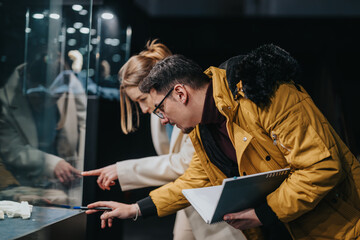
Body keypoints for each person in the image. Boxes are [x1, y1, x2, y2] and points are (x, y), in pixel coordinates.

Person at [86, 44, 360, 240]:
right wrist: (136, 209)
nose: (162, 119)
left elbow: (321, 168)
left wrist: (263, 213)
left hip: (342, 224)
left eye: (159, 109)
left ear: (180, 93)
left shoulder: (268, 94)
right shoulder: (201, 128)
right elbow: (196, 179)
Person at [82, 40, 246, 240]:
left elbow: (188, 167)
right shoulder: (164, 114)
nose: (145, 110)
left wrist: (124, 174)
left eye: (143, 100)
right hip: (186, 199)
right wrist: (135, 208)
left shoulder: (199, 113)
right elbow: (193, 175)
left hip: (216, 202)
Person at [0, 50, 86, 204]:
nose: (49, 104)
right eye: (42, 98)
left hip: (65, 183)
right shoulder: (5, 101)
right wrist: (51, 164)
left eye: (55, 98)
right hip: (22, 182)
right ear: (29, 83)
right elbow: (12, 149)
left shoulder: (67, 87)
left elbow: (83, 129)